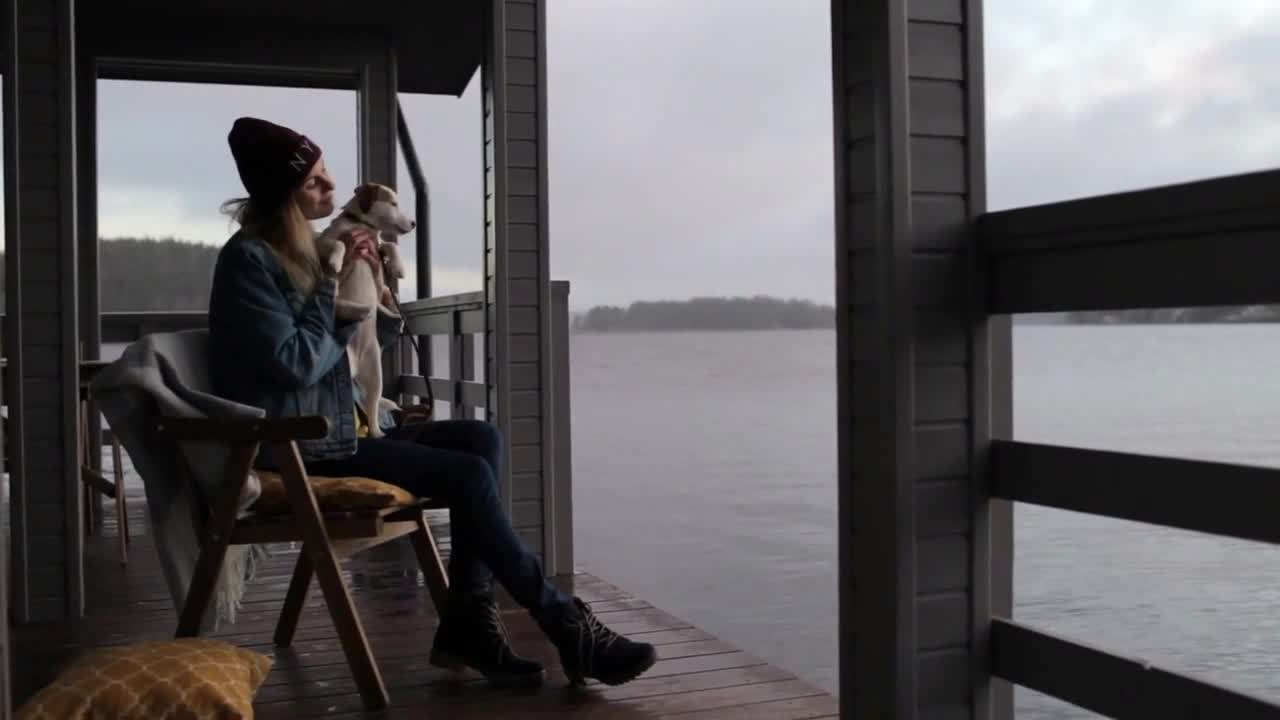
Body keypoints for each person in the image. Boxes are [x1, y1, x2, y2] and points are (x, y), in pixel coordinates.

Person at [206, 116, 657, 688]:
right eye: (317, 181)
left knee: (481, 438)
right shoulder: (249, 260)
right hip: (297, 444)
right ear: (283, 191)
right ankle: (564, 623)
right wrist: (332, 287)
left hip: (340, 426)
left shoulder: (304, 249)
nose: (331, 188)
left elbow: (370, 344)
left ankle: (470, 622)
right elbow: (294, 363)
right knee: (468, 475)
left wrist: (370, 283)